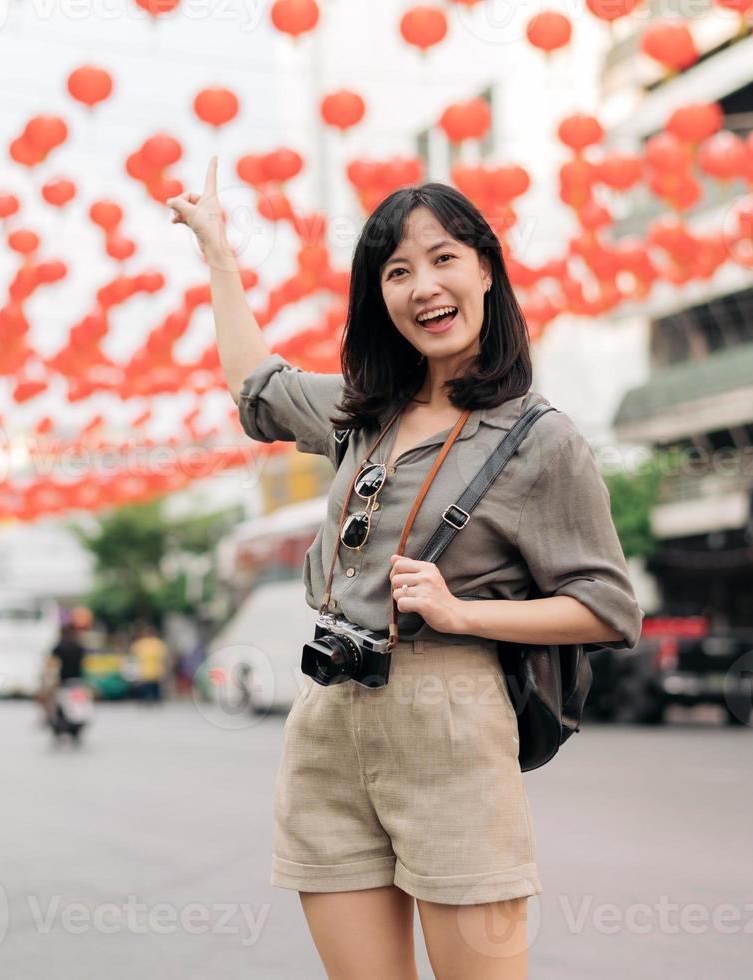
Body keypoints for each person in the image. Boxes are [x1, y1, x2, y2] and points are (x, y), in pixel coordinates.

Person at [169, 160, 643, 980]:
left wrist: (465, 613)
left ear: (486, 270)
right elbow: (258, 387)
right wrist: (217, 252)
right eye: (397, 270)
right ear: (380, 297)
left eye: (443, 257)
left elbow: (606, 608)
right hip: (327, 721)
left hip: (450, 721)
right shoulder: (364, 413)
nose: (423, 285)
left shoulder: (539, 439)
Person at [128, 624, 168, 705]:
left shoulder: (155, 644)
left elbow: (164, 658)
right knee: (147, 689)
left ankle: (152, 701)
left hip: (152, 671)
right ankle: (149, 701)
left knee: (153, 689)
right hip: (146, 671)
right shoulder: (144, 644)